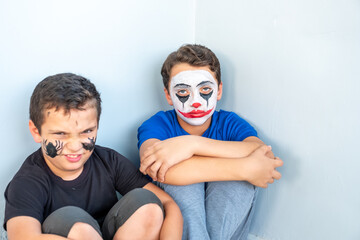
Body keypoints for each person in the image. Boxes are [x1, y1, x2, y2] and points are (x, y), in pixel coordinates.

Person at [3, 73, 183, 240]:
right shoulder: (27, 182)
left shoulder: (108, 161)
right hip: (72, 233)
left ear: (96, 126)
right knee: (75, 223)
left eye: (86, 131)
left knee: (148, 204)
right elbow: (23, 237)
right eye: (60, 134)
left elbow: (168, 204)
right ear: (36, 131)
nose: (74, 146)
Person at [137, 44, 283, 240]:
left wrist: (192, 145)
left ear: (219, 90)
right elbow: (156, 167)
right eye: (182, 92)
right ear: (168, 95)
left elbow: (263, 155)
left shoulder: (229, 123)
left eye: (205, 89)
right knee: (182, 184)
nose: (195, 101)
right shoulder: (157, 125)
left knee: (238, 184)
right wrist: (245, 168)